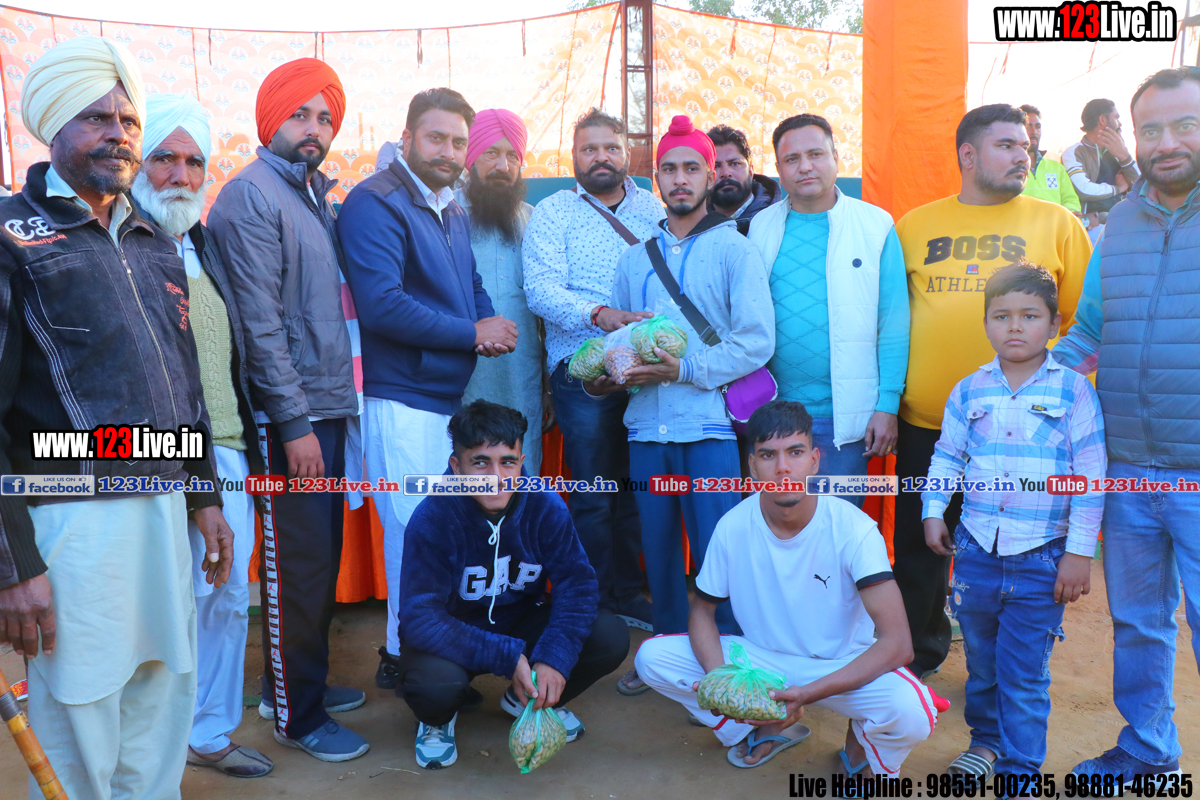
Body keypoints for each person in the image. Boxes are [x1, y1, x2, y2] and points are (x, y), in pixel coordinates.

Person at [0, 37, 231, 799]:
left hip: (164, 515)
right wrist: (15, 568)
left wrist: (203, 497)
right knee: (82, 721)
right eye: (96, 118)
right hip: (70, 522)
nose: (118, 134)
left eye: (128, 120)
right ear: (53, 126)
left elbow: (185, 388)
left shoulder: (155, 243)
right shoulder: (11, 236)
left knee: (162, 706)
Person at [636, 400, 942, 774]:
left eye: (795, 452)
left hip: (840, 664)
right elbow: (702, 611)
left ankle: (861, 740)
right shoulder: (733, 526)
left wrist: (806, 694)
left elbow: (898, 644)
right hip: (760, 663)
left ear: (814, 460)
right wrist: (725, 682)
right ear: (752, 466)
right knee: (653, 659)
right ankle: (762, 723)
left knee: (913, 713)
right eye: (768, 455)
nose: (783, 468)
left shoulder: (854, 528)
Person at [893, 103, 1091, 678]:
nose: (1023, 155)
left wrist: (1039, 392)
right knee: (921, 543)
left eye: (1025, 146)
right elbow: (890, 319)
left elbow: (1085, 322)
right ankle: (918, 657)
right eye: (1007, 145)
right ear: (968, 154)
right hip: (929, 425)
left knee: (1018, 548)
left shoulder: (1058, 224)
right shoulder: (914, 226)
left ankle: (1010, 669)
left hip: (1027, 434)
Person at [208, 58, 368, 762]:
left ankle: (295, 686)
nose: (314, 128)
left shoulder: (309, 195)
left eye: (325, 117)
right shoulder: (251, 195)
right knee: (296, 568)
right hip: (290, 419)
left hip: (325, 406)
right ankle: (297, 717)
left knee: (317, 560)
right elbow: (261, 324)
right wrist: (294, 423)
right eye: (300, 114)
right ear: (271, 119)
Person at [338, 88, 516, 691]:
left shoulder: (451, 207)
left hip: (441, 399)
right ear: (407, 137)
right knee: (416, 534)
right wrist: (472, 333)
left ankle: (408, 650)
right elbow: (382, 305)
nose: (448, 151)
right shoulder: (375, 202)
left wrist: (489, 321)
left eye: (458, 142)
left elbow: (471, 282)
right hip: (400, 397)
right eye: (435, 138)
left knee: (430, 533)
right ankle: (414, 663)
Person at [1055, 67, 1200, 783]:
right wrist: (1026, 384)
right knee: (1140, 623)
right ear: (1130, 138)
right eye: (1151, 129)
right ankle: (1148, 748)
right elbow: (1088, 331)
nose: (1166, 142)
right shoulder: (1116, 230)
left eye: (1185, 125)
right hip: (1130, 470)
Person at [590, 113, 774, 653]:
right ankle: (670, 658)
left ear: (710, 175)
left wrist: (686, 370)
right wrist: (608, 375)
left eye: (691, 168)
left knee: (719, 552)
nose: (679, 179)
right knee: (660, 554)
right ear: (656, 180)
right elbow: (624, 342)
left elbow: (757, 341)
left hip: (709, 430)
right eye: (669, 169)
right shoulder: (634, 260)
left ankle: (730, 660)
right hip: (647, 431)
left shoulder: (735, 249)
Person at [131, 92, 274, 779]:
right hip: (154, 457)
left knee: (225, 596)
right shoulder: (115, 245)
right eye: (164, 159)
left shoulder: (205, 243)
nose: (181, 176)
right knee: (166, 601)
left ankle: (209, 732)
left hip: (228, 447)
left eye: (195, 163)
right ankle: (151, 747)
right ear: (137, 164)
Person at [923, 262, 1105, 780]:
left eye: (1030, 315)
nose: (1016, 326)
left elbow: (1091, 477)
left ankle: (1019, 767)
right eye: (1002, 316)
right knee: (981, 662)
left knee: (1024, 673)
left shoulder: (1075, 391)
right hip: (976, 552)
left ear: (1054, 324)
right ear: (986, 323)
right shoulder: (968, 390)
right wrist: (933, 511)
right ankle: (984, 744)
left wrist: (1078, 553)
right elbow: (947, 457)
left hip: (1042, 557)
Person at [394, 400, 629, 769]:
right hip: (453, 634)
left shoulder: (545, 505)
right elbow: (420, 617)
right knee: (434, 687)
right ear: (456, 466)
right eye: (480, 463)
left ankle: (528, 698)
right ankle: (436, 721)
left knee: (609, 635)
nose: (496, 476)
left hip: (521, 621)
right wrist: (506, 656)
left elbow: (577, 587)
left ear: (521, 461)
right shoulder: (434, 517)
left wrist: (553, 658)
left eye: (507, 462)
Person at [523, 108, 664, 651]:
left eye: (610, 147)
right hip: (582, 371)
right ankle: (593, 600)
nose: (600, 157)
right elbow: (540, 290)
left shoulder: (653, 208)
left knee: (635, 489)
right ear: (574, 156)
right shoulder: (553, 212)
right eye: (589, 149)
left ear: (627, 153)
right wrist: (601, 316)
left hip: (647, 368)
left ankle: (629, 593)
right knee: (592, 492)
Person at [748, 114, 909, 503]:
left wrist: (887, 405)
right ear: (779, 169)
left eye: (816, 154)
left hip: (847, 421)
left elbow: (893, 324)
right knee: (777, 527)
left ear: (836, 157)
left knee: (839, 526)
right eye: (792, 159)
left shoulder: (875, 225)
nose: (805, 166)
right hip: (773, 417)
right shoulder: (760, 227)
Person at [456, 108, 552, 473]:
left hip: (522, 381)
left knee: (521, 479)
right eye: (491, 153)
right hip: (462, 380)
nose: (503, 165)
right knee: (466, 480)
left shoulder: (535, 219)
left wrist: (548, 387)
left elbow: (546, 313)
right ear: (470, 157)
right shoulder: (444, 215)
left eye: (512, 156)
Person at [1062, 98, 1140, 239]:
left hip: (1127, 219)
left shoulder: (1119, 150)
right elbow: (1083, 189)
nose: (1120, 124)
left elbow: (1143, 185)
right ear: (1103, 120)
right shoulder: (1074, 152)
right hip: (1094, 226)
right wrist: (1118, 188)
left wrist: (1125, 157)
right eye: (1116, 118)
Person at [706, 124, 780, 234]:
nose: (726, 173)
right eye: (715, 166)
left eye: (734, 164)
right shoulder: (691, 226)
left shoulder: (779, 221)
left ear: (750, 170)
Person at [1019, 104, 1082, 214]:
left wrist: (1070, 214)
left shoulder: (1056, 168)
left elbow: (1070, 200)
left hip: (1057, 223)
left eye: (1038, 127)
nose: (1034, 131)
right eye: (1028, 126)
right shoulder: (1010, 167)